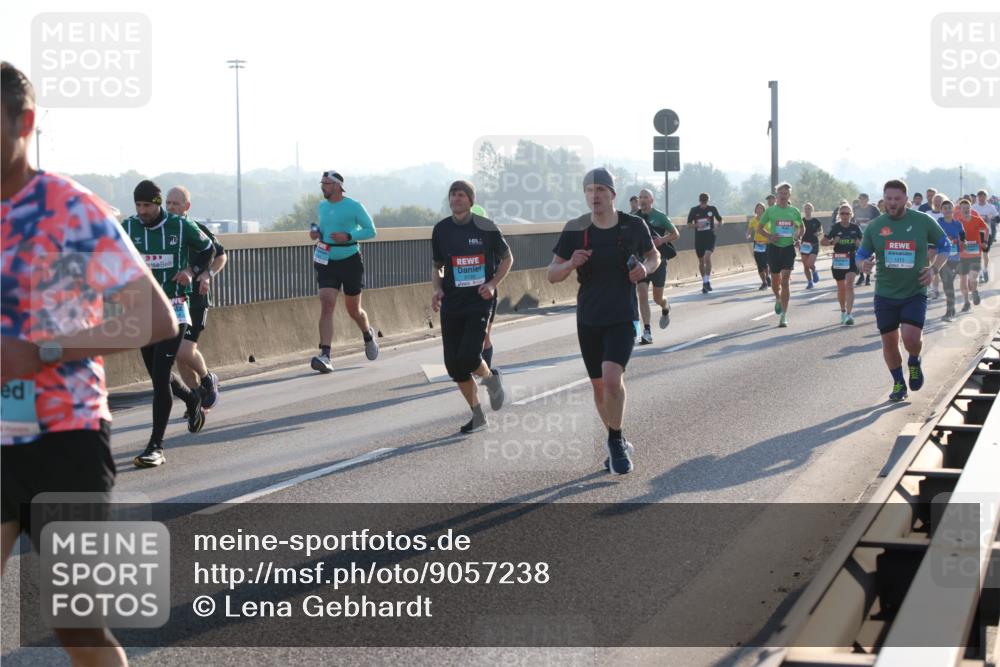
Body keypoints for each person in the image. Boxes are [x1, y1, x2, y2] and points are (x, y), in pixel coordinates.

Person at [1, 60, 177, 666]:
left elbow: (154, 317)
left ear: (23, 123)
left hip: (65, 438)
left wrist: (42, 350)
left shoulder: (68, 210)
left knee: (76, 627)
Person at [547, 168, 659, 475]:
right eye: (589, 190)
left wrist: (645, 270)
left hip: (623, 315)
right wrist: (571, 263)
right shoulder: (576, 229)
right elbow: (552, 274)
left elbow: (654, 256)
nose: (594, 195)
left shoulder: (633, 225)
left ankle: (615, 439)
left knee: (612, 379)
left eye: (600, 189)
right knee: (598, 389)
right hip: (589, 318)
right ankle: (615, 439)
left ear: (612, 193)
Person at [124, 180, 215, 467]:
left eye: (148, 205)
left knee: (161, 376)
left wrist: (192, 270)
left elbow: (208, 249)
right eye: (138, 205)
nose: (143, 211)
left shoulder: (179, 225)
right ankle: (192, 401)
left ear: (158, 203)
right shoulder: (127, 227)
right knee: (156, 374)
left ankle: (156, 447)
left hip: (175, 309)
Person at [856, 180, 949, 402]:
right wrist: (863, 264)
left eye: (897, 199)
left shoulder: (922, 221)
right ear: (883, 199)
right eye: (888, 199)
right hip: (885, 294)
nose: (892, 203)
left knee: (910, 338)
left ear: (906, 199)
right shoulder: (875, 226)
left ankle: (914, 360)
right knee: (889, 341)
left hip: (914, 291)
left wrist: (934, 268)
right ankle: (898, 382)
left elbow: (946, 245)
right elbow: (860, 254)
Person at [431, 182, 510, 433]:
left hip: (479, 300)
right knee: (454, 366)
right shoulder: (441, 229)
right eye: (452, 194)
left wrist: (493, 283)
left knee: (468, 356)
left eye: (461, 195)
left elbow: (507, 258)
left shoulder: (486, 227)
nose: (456, 198)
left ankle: (491, 380)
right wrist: (438, 288)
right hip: (452, 302)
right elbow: (439, 266)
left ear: (471, 200)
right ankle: (478, 416)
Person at [309, 171, 379, 373]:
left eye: (327, 183)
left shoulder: (354, 206)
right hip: (326, 259)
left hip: (350, 261)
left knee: (353, 310)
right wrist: (316, 232)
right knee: (326, 303)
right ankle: (325, 355)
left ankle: (367, 334)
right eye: (321, 183)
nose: (323, 186)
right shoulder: (322, 206)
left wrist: (348, 235)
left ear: (338, 186)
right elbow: (324, 227)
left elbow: (371, 230)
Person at [164, 186, 225, 411]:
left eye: (175, 204)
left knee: (183, 351)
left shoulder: (195, 229)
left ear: (186, 207)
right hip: (171, 299)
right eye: (167, 203)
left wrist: (208, 274)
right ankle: (196, 399)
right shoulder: (160, 231)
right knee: (180, 357)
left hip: (195, 298)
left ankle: (208, 378)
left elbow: (220, 255)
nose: (170, 208)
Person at [634, 188, 679, 342]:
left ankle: (665, 307)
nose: (642, 199)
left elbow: (675, 234)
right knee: (642, 293)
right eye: (640, 197)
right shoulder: (634, 218)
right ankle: (646, 332)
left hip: (659, 262)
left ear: (651, 200)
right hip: (642, 262)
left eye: (645, 197)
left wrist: (661, 240)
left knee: (657, 297)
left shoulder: (659, 217)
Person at [758, 182, 803, 327]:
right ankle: (777, 298)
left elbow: (801, 227)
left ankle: (783, 315)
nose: (783, 196)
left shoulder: (794, 211)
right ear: (777, 195)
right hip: (774, 248)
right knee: (775, 281)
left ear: (789, 195)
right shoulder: (770, 211)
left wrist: (798, 238)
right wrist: (770, 236)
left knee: (785, 281)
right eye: (781, 193)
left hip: (788, 248)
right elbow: (759, 228)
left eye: (786, 193)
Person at [821, 204, 862, 325]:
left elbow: (862, 242)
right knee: (841, 288)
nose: (845, 216)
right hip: (839, 258)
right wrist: (832, 241)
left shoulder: (855, 227)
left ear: (851, 215)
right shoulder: (834, 227)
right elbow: (823, 242)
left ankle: (849, 314)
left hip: (851, 257)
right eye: (842, 213)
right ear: (839, 215)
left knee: (849, 284)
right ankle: (843, 311)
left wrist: (859, 243)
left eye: (847, 213)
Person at [955, 199, 990, 312]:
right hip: (962, 255)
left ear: (970, 209)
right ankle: (966, 302)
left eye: (967, 208)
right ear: (959, 210)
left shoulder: (976, 220)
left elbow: (986, 228)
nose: (965, 210)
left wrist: (985, 241)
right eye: (963, 208)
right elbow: (952, 235)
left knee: (973, 277)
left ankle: (974, 291)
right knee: (963, 280)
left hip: (975, 253)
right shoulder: (957, 222)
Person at [686, 193, 724, 293]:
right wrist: (697, 225)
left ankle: (706, 281)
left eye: (705, 200)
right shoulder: (694, 210)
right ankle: (705, 282)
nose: (704, 202)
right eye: (703, 200)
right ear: (699, 200)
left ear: (708, 200)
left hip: (710, 237)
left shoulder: (712, 209)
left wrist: (718, 225)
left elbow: (721, 220)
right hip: (699, 239)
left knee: (707, 258)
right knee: (701, 261)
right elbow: (689, 224)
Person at [935, 199, 965, 321]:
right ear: (941, 211)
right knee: (947, 284)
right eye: (945, 208)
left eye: (949, 207)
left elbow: (963, 235)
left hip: (955, 258)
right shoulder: (938, 223)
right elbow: (932, 236)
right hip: (942, 258)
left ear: (953, 210)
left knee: (949, 284)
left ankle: (951, 310)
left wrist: (964, 242)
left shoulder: (957, 224)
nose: (947, 210)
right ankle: (950, 310)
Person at [972, 190, 999, 283]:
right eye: (979, 196)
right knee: (977, 254)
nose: (981, 198)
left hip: (988, 233)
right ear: (977, 197)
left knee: (985, 254)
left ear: (986, 197)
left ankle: (985, 269)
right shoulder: (973, 207)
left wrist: (990, 218)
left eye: (983, 196)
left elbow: (997, 218)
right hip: (975, 233)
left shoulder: (991, 207)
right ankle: (980, 274)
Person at [854, 193, 881, 286]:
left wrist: (871, 223)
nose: (862, 201)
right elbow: (852, 222)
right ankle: (861, 275)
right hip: (859, 236)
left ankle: (868, 277)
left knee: (869, 256)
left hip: (871, 236)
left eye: (864, 199)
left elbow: (879, 221)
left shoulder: (874, 209)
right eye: (860, 199)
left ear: (867, 200)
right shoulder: (855, 209)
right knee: (859, 255)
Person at [747, 202, 771, 290]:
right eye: (758, 208)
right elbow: (749, 231)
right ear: (756, 210)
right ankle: (764, 282)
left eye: (761, 208)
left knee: (765, 263)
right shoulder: (753, 220)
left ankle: (767, 276)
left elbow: (772, 230)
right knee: (759, 264)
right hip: (757, 244)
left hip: (767, 243)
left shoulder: (768, 220)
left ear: (764, 210)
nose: (760, 210)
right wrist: (748, 235)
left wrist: (770, 238)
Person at [800, 202, 823, 288]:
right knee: (805, 266)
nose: (807, 210)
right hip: (804, 245)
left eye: (809, 208)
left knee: (810, 264)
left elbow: (821, 230)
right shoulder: (801, 221)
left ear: (812, 210)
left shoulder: (816, 221)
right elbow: (798, 231)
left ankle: (814, 271)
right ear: (804, 210)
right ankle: (810, 282)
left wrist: (818, 233)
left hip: (814, 244)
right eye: (806, 208)